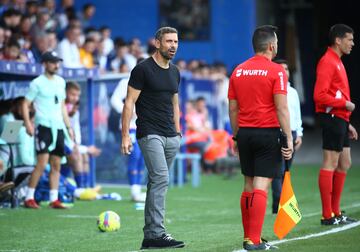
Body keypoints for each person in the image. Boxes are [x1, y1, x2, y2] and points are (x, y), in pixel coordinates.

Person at [228, 25, 293, 250]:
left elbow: (233, 109)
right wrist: (289, 138)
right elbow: (282, 108)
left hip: (244, 133)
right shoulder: (276, 71)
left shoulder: (238, 70)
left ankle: (250, 237)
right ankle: (254, 241)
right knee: (261, 187)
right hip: (267, 133)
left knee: (248, 185)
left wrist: (236, 136)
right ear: (271, 46)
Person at [121, 27, 184, 250]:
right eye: (168, 41)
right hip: (149, 133)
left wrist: (177, 132)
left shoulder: (175, 71)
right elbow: (128, 103)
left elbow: (175, 104)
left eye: (176, 41)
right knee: (161, 179)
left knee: (156, 183)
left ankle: (150, 236)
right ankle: (157, 233)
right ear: (157, 43)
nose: (173, 45)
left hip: (171, 136)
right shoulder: (142, 70)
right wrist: (125, 135)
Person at [313, 24, 358, 225]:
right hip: (332, 118)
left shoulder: (337, 61)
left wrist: (346, 121)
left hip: (340, 119)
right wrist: (344, 104)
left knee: (345, 162)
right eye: (349, 39)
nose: (352, 43)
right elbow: (319, 96)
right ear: (338, 40)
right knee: (330, 163)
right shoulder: (328, 61)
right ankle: (327, 215)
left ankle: (336, 211)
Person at [22, 51, 74, 209]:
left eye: (57, 62)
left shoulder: (61, 82)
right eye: (52, 62)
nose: (56, 65)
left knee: (56, 164)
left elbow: (62, 107)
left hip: (58, 127)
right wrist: (29, 124)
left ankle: (54, 199)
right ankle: (29, 197)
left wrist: (68, 127)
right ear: (44, 63)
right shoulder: (36, 83)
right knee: (42, 163)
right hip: (43, 126)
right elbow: (25, 104)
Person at [271, 59, 303, 214]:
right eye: (281, 68)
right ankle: (277, 205)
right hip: (278, 133)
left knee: (286, 171)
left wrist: (299, 133)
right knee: (278, 170)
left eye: (287, 68)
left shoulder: (293, 92)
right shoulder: (272, 89)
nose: (285, 71)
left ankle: (285, 203)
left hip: (292, 132)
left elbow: (297, 114)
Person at [64, 81, 101, 189]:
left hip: (71, 144)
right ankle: (80, 188)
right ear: (65, 93)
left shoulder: (75, 110)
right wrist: (84, 148)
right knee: (78, 154)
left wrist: (78, 145)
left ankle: (86, 187)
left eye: (77, 95)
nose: (76, 98)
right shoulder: (61, 108)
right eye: (73, 94)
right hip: (62, 144)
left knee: (84, 155)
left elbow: (76, 130)